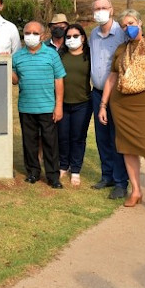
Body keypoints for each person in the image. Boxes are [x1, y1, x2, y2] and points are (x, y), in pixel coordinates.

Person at [97, 9, 145, 220]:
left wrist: (141, 83)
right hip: (120, 105)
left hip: (144, 105)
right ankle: (136, 191)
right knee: (128, 149)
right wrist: (103, 105)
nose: (126, 27)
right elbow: (112, 77)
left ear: (140, 22)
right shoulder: (121, 49)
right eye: (123, 25)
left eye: (130, 22)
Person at [12, 20, 66, 188]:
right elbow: (14, 80)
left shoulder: (51, 55)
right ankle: (33, 172)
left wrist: (59, 106)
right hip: (26, 107)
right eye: (27, 33)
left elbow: (59, 80)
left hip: (47, 107)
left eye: (35, 33)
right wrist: (5, 66)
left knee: (50, 143)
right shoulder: (18, 56)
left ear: (42, 36)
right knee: (30, 142)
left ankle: (53, 176)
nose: (31, 36)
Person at [88, 0, 130, 199]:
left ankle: (121, 182)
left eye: (104, 8)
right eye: (97, 8)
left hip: (118, 95)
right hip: (97, 92)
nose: (100, 11)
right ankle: (107, 176)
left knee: (117, 139)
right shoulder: (93, 34)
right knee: (102, 137)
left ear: (112, 10)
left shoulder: (122, 34)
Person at [58, 23, 91, 187]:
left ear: (83, 38)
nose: (72, 39)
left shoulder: (89, 55)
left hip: (83, 103)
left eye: (75, 36)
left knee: (78, 137)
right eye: (68, 37)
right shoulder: (60, 55)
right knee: (63, 136)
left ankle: (76, 169)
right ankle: (63, 165)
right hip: (62, 103)